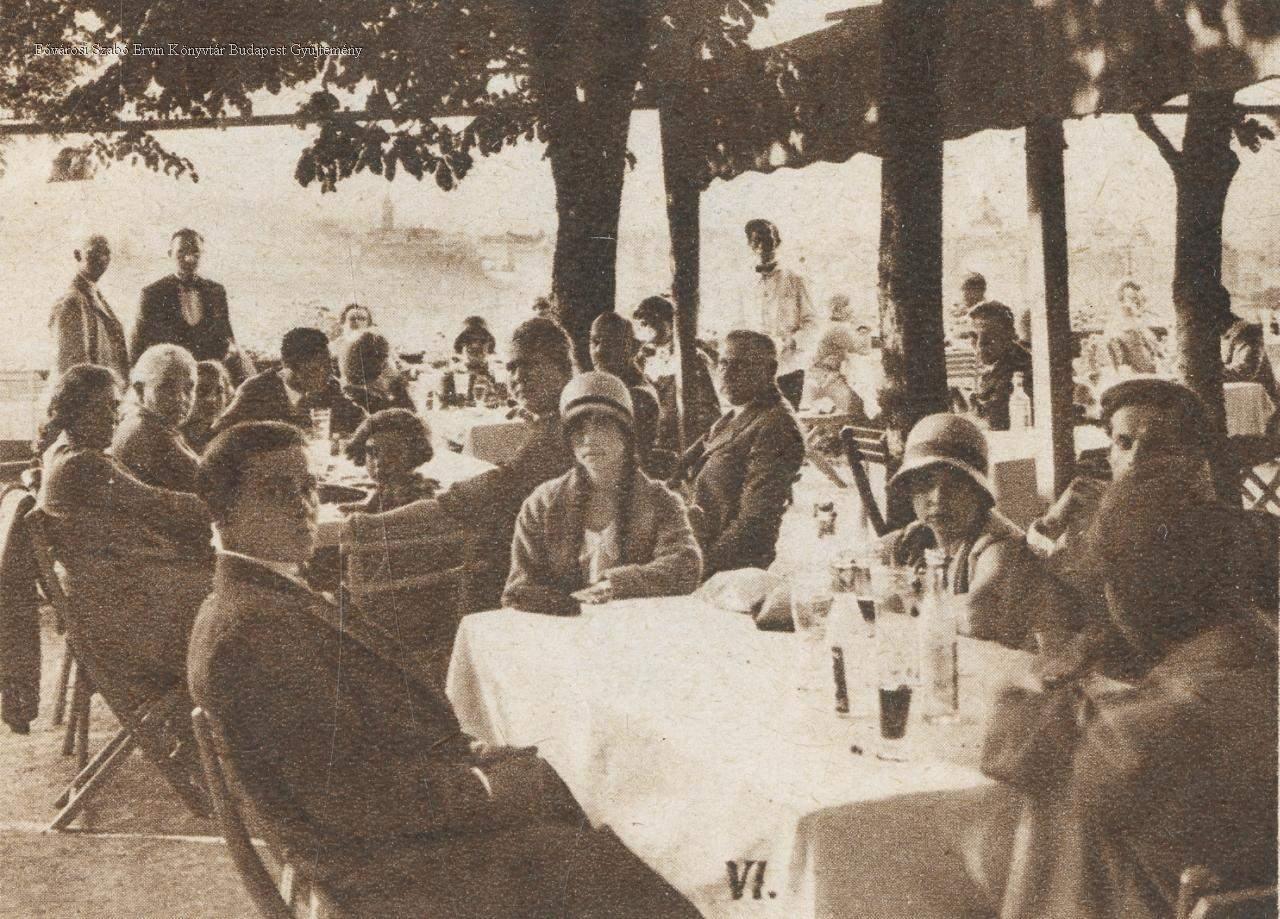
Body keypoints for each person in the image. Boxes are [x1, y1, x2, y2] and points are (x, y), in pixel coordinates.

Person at [188, 421, 699, 919]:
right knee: (636, 871)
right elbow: (351, 798)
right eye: (277, 491)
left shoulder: (265, 596)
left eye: (307, 487)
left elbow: (366, 742)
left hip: (391, 839)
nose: (303, 506)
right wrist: (486, 786)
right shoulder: (251, 632)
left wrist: (477, 756)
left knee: (583, 804)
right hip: (384, 875)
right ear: (223, 510)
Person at [974, 461, 1277, 919]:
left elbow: (1012, 745)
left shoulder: (1142, 731)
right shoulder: (1253, 663)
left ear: (1130, 596)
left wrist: (1059, 669)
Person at [342, 318, 577, 608]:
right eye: (512, 367)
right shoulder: (557, 421)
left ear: (562, 368)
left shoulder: (560, 432)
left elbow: (467, 500)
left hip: (529, 580)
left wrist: (373, 523)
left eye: (529, 365)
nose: (518, 377)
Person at [36, 364, 212, 692]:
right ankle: (217, 702)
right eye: (102, 408)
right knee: (238, 603)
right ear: (75, 410)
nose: (114, 417)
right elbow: (160, 503)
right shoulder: (84, 465)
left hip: (102, 598)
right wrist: (229, 503)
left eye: (115, 406)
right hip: (121, 614)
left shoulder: (63, 452)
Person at [504, 372, 702, 615]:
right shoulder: (542, 503)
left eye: (602, 425)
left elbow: (684, 565)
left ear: (626, 432)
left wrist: (613, 585)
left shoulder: (660, 500)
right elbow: (518, 589)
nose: (589, 438)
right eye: (578, 428)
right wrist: (565, 606)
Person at [877, 414, 1069, 650]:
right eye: (925, 483)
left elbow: (975, 617)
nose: (938, 498)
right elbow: (859, 572)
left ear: (978, 493)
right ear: (910, 490)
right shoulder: (916, 537)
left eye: (955, 485)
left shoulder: (999, 544)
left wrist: (907, 597)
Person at [673, 330, 805, 577]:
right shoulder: (739, 413)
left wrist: (696, 569)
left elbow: (754, 526)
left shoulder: (776, 425)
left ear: (770, 369)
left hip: (726, 566)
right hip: (691, 545)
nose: (727, 373)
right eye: (724, 363)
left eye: (741, 365)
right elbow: (686, 462)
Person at [131, 229, 250, 385]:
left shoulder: (216, 291)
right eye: (182, 252)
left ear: (202, 254)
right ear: (170, 254)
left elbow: (227, 335)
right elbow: (138, 345)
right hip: (171, 379)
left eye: (195, 252)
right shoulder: (152, 294)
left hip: (210, 379)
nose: (189, 258)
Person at [213, 327, 365, 438]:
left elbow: (364, 423)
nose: (329, 374)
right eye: (317, 369)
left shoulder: (332, 387)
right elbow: (220, 432)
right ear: (290, 367)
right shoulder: (256, 389)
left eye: (329, 365)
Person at [743, 219, 816, 408]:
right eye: (757, 240)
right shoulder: (746, 283)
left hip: (788, 366)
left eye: (768, 240)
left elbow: (812, 321)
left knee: (785, 418)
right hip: (755, 367)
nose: (762, 246)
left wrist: (792, 341)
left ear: (777, 242)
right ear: (750, 244)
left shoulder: (796, 279)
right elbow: (741, 321)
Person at [634, 295, 720, 453]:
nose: (646, 327)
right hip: (655, 439)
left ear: (669, 323)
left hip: (685, 438)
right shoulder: (641, 358)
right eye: (643, 323)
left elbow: (709, 408)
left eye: (652, 320)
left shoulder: (692, 357)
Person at [113, 344, 201, 492]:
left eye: (188, 388)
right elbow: (209, 485)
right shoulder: (148, 432)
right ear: (140, 390)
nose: (180, 398)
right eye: (167, 387)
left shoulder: (142, 422)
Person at [49, 234, 129, 384]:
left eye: (106, 253)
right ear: (78, 255)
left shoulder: (94, 295)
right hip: (88, 394)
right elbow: (71, 370)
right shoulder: (72, 301)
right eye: (94, 252)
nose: (102, 258)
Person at [588, 312, 661, 474]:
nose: (600, 351)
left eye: (611, 343)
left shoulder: (638, 396)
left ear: (632, 348)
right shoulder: (609, 386)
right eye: (595, 342)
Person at [341, 409, 439, 513]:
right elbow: (372, 510)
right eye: (372, 452)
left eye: (392, 453)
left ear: (413, 455)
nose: (379, 461)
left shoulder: (415, 493)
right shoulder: (386, 488)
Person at [968, 300, 1033, 431]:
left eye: (989, 338)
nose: (979, 345)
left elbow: (994, 422)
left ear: (1008, 337)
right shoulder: (998, 363)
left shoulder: (1019, 372)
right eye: (974, 337)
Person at [1096, 280, 1162, 378]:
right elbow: (1147, 367)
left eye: (1139, 300)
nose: (1138, 303)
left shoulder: (1130, 323)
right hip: (1142, 375)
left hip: (1137, 370)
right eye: (1133, 299)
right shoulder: (1129, 329)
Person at [341, 329, 415, 416]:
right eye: (386, 358)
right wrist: (399, 387)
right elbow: (410, 416)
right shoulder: (368, 398)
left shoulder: (353, 392)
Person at [440, 316, 502, 408]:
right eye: (470, 340)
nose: (475, 344)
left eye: (481, 340)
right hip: (476, 362)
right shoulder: (450, 378)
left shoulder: (498, 376)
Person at [181, 360, 233, 454]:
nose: (212, 400)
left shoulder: (230, 439)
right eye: (202, 391)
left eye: (219, 391)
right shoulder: (174, 439)